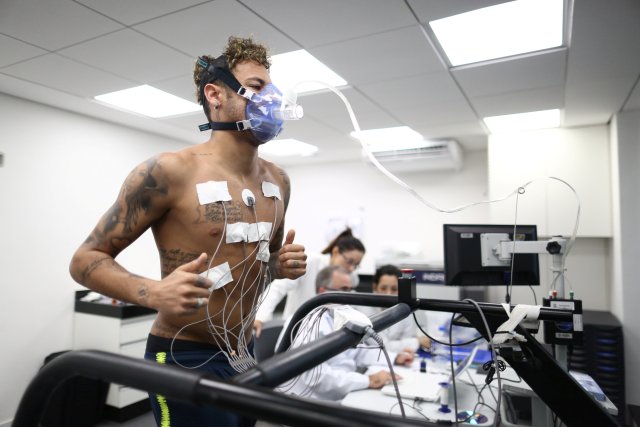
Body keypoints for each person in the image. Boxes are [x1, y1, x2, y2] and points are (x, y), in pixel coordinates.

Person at [69, 36, 307, 427]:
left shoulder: (279, 180)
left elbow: (263, 266)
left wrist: (279, 266)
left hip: (245, 351)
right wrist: (155, 292)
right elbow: (85, 261)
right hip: (184, 355)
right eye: (258, 86)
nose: (273, 99)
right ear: (215, 95)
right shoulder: (169, 171)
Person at [277, 265, 411, 401]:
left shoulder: (338, 315)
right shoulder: (308, 323)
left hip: (342, 390)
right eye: (344, 290)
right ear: (323, 291)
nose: (350, 295)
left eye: (351, 289)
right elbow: (316, 376)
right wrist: (368, 380)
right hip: (309, 400)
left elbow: (358, 352)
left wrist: (395, 358)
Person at [253, 228, 365, 337]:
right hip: (295, 332)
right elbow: (278, 288)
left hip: (330, 335)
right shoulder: (310, 262)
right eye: (350, 261)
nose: (351, 268)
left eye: (356, 265)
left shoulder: (352, 278)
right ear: (335, 252)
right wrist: (260, 317)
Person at [358, 265, 431, 352]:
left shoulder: (405, 310)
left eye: (394, 289)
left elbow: (408, 348)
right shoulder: (362, 312)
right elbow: (382, 345)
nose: (388, 293)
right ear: (375, 287)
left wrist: (410, 344)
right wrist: (416, 341)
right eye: (383, 288)